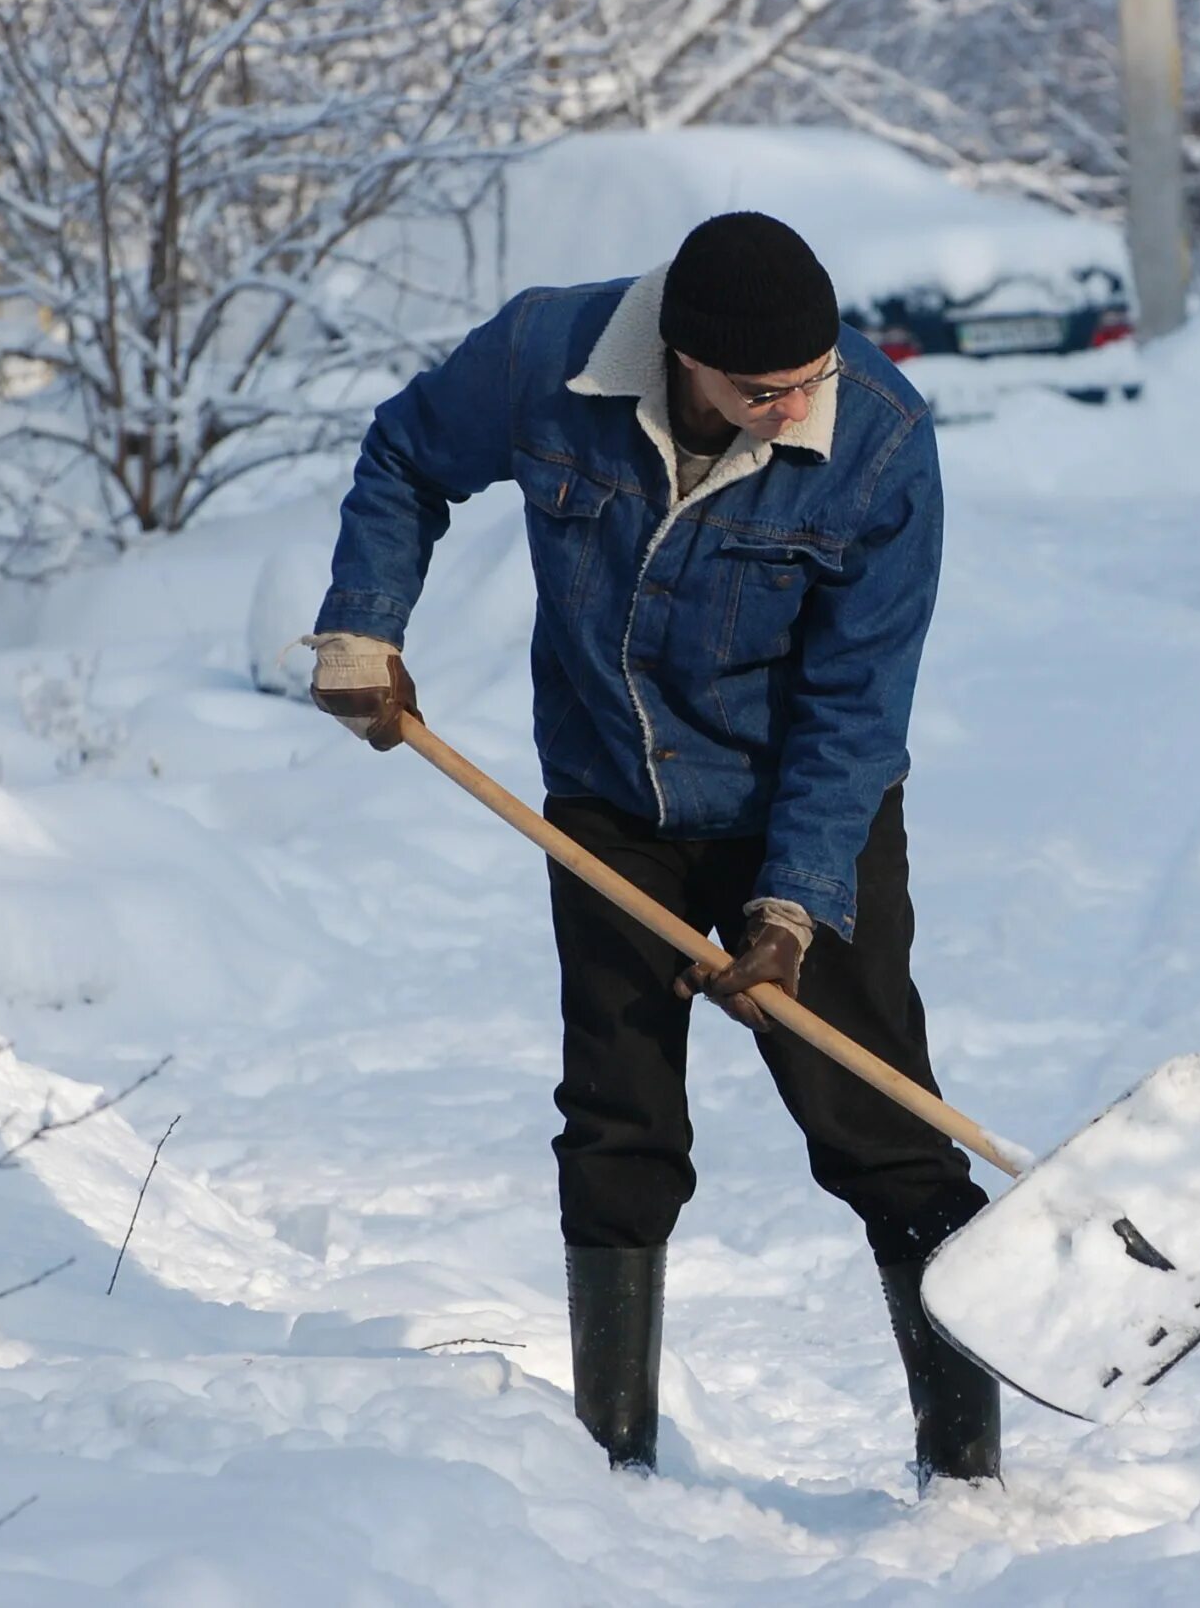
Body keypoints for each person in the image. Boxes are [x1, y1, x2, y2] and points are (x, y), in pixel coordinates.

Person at [301, 211, 999, 1487]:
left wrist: (788, 913)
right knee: (617, 1124)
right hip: (613, 800)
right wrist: (361, 625)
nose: (793, 409)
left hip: (805, 803)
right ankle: (610, 1471)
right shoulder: (544, 359)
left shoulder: (881, 438)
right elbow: (406, 452)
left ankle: (963, 1475)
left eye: (809, 380)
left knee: (880, 1126)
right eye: (762, 390)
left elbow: (856, 705)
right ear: (680, 356)